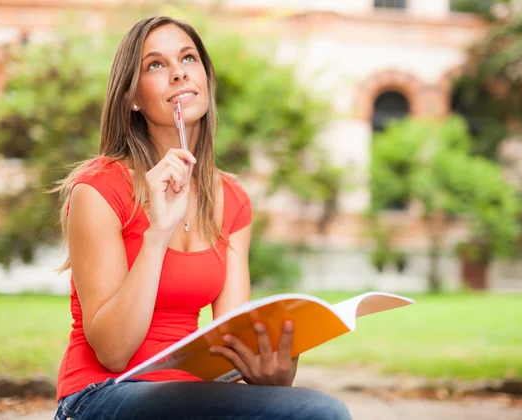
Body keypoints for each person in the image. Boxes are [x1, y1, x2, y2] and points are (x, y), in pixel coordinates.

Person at [52, 15, 352, 420]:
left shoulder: (232, 199)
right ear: (132, 97)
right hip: (101, 395)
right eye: (155, 65)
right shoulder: (98, 188)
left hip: (191, 397)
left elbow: (230, 344)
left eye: (188, 58)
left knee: (305, 410)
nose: (178, 73)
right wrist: (158, 231)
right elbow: (113, 350)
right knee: (321, 412)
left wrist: (272, 377)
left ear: (205, 79)